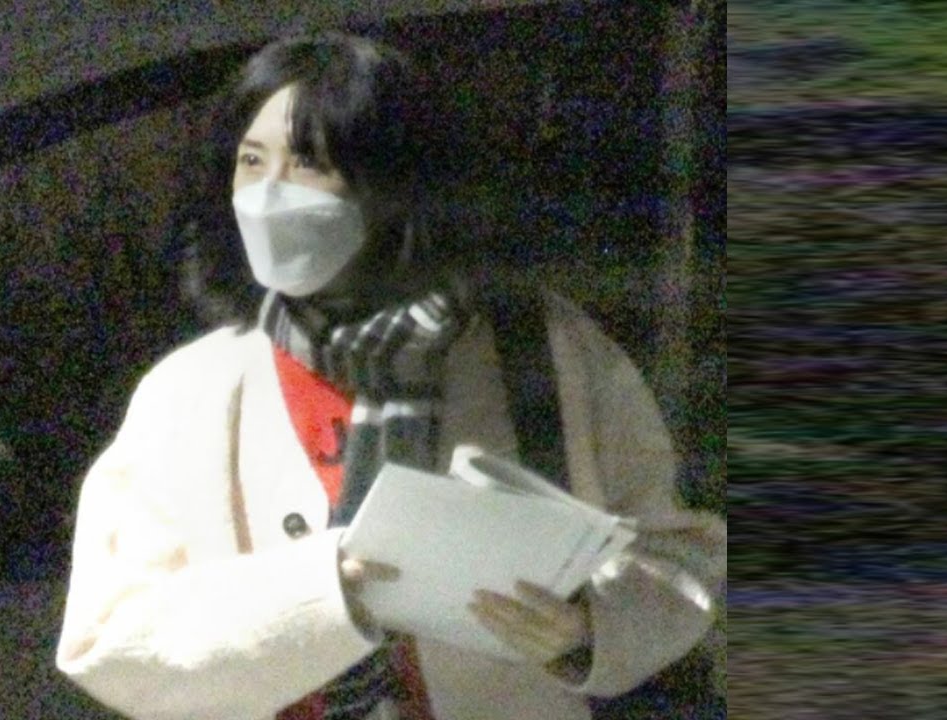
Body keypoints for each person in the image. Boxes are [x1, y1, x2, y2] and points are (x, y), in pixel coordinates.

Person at [55, 31, 725, 720]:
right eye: (251, 162)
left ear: (395, 186)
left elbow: (680, 560)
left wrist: (587, 629)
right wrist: (322, 597)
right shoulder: (192, 390)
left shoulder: (542, 348)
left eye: (308, 163)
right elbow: (111, 637)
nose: (268, 194)